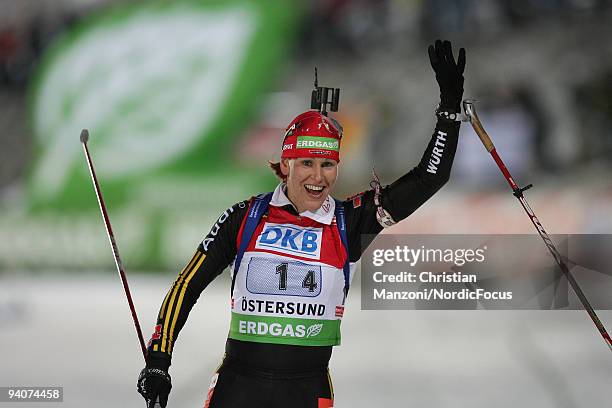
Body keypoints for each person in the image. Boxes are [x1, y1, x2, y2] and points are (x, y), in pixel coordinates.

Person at [137, 39, 466, 408]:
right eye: (306, 163)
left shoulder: (350, 221)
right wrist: (159, 359)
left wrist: (449, 112)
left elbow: (429, 178)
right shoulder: (245, 216)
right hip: (239, 389)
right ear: (285, 165)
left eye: (327, 165)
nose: (318, 176)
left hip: (306, 392)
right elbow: (187, 284)